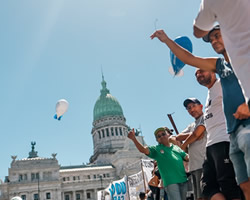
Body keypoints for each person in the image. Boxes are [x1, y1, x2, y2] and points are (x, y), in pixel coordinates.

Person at [151, 27, 244, 199]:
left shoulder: (225, 79)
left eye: (201, 70)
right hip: (211, 148)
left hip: (226, 141)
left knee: (231, 187)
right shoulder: (211, 90)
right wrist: (167, 41)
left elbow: (193, 59)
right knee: (207, 189)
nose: (198, 73)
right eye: (196, 74)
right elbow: (189, 59)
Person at [193, 0, 250, 113]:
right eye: (211, 40)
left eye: (217, 36)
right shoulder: (227, 63)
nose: (213, 42)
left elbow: (198, 31)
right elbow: (190, 59)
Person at [128, 127, 189, 200]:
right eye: (159, 136)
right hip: (170, 182)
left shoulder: (176, 148)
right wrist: (134, 139)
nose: (162, 137)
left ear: (168, 135)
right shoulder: (156, 149)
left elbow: (187, 157)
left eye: (163, 134)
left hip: (183, 180)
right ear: (157, 140)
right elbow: (143, 150)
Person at [170, 98, 207, 200]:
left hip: (204, 163)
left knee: (206, 195)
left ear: (201, 106)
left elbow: (197, 133)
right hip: (194, 166)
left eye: (194, 106)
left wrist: (185, 144)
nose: (192, 110)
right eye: (189, 108)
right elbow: (178, 136)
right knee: (198, 197)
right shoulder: (191, 125)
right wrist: (192, 135)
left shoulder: (206, 118)